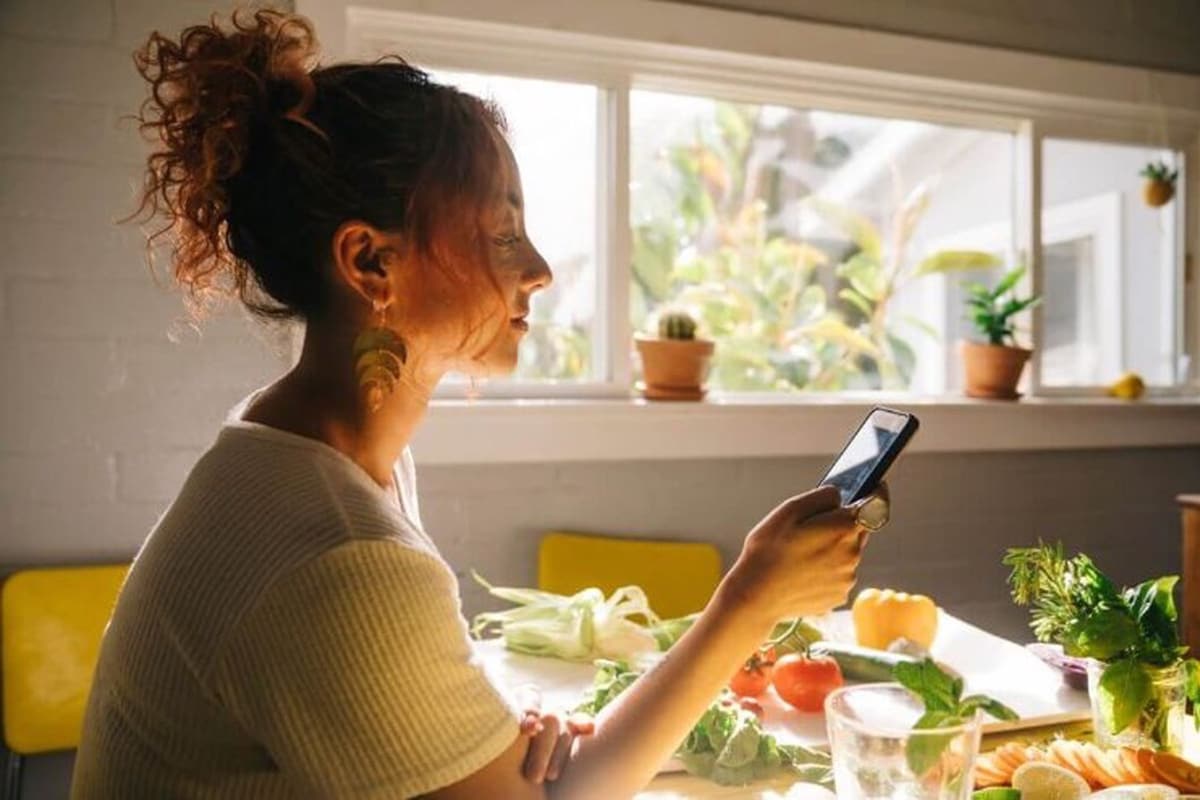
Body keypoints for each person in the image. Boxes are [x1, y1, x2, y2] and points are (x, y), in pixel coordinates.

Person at [72, 10, 887, 799]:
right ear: (369, 262)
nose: (538, 269)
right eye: (502, 235)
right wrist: (750, 602)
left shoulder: (304, 455)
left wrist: (471, 747)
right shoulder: (338, 555)